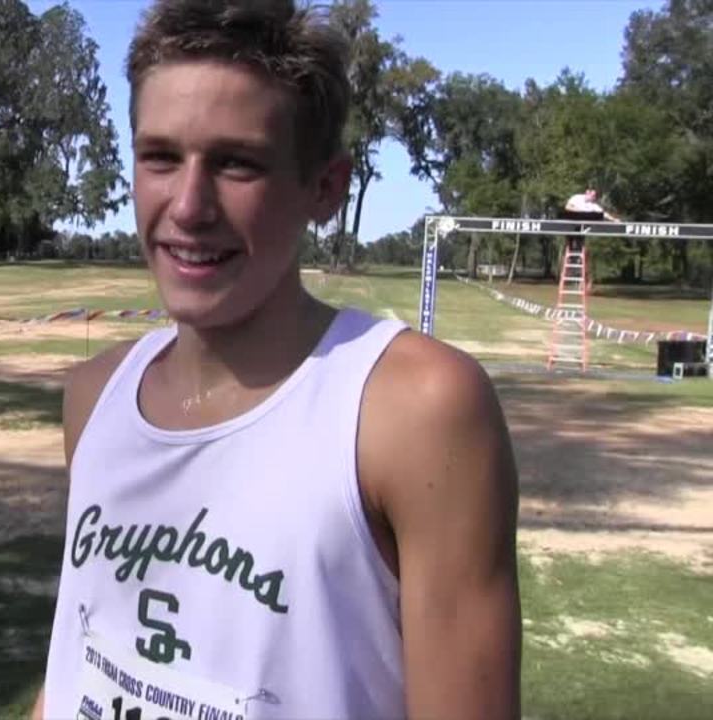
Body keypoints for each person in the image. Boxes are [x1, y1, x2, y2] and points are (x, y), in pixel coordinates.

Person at [32, 2, 521, 719]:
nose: (189, 205)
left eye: (236, 163)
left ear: (325, 189)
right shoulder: (95, 397)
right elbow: (83, 660)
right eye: (161, 157)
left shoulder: (413, 410)